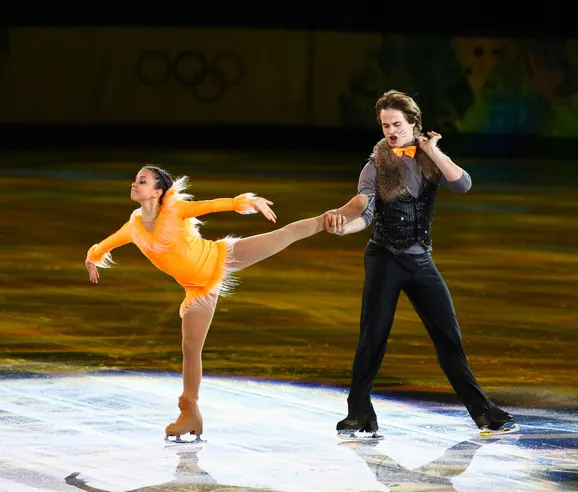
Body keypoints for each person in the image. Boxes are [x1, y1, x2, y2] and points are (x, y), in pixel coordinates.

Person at [324, 90, 518, 437]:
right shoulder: (375, 166)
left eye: (397, 124)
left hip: (420, 260)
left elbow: (463, 184)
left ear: (413, 123)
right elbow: (364, 213)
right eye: (385, 125)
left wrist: (432, 150)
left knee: (448, 337)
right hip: (384, 258)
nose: (391, 132)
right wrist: (344, 229)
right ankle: (359, 413)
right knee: (373, 335)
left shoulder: (430, 159)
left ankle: (484, 412)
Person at [85, 165, 326, 442]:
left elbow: (211, 206)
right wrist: (92, 258)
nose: (134, 184)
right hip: (197, 289)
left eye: (142, 181)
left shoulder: (175, 211)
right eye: (135, 180)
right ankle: (190, 413)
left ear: (157, 191)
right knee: (190, 348)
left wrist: (247, 201)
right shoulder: (135, 226)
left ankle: (331, 218)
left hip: (219, 257)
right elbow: (109, 243)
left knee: (282, 236)